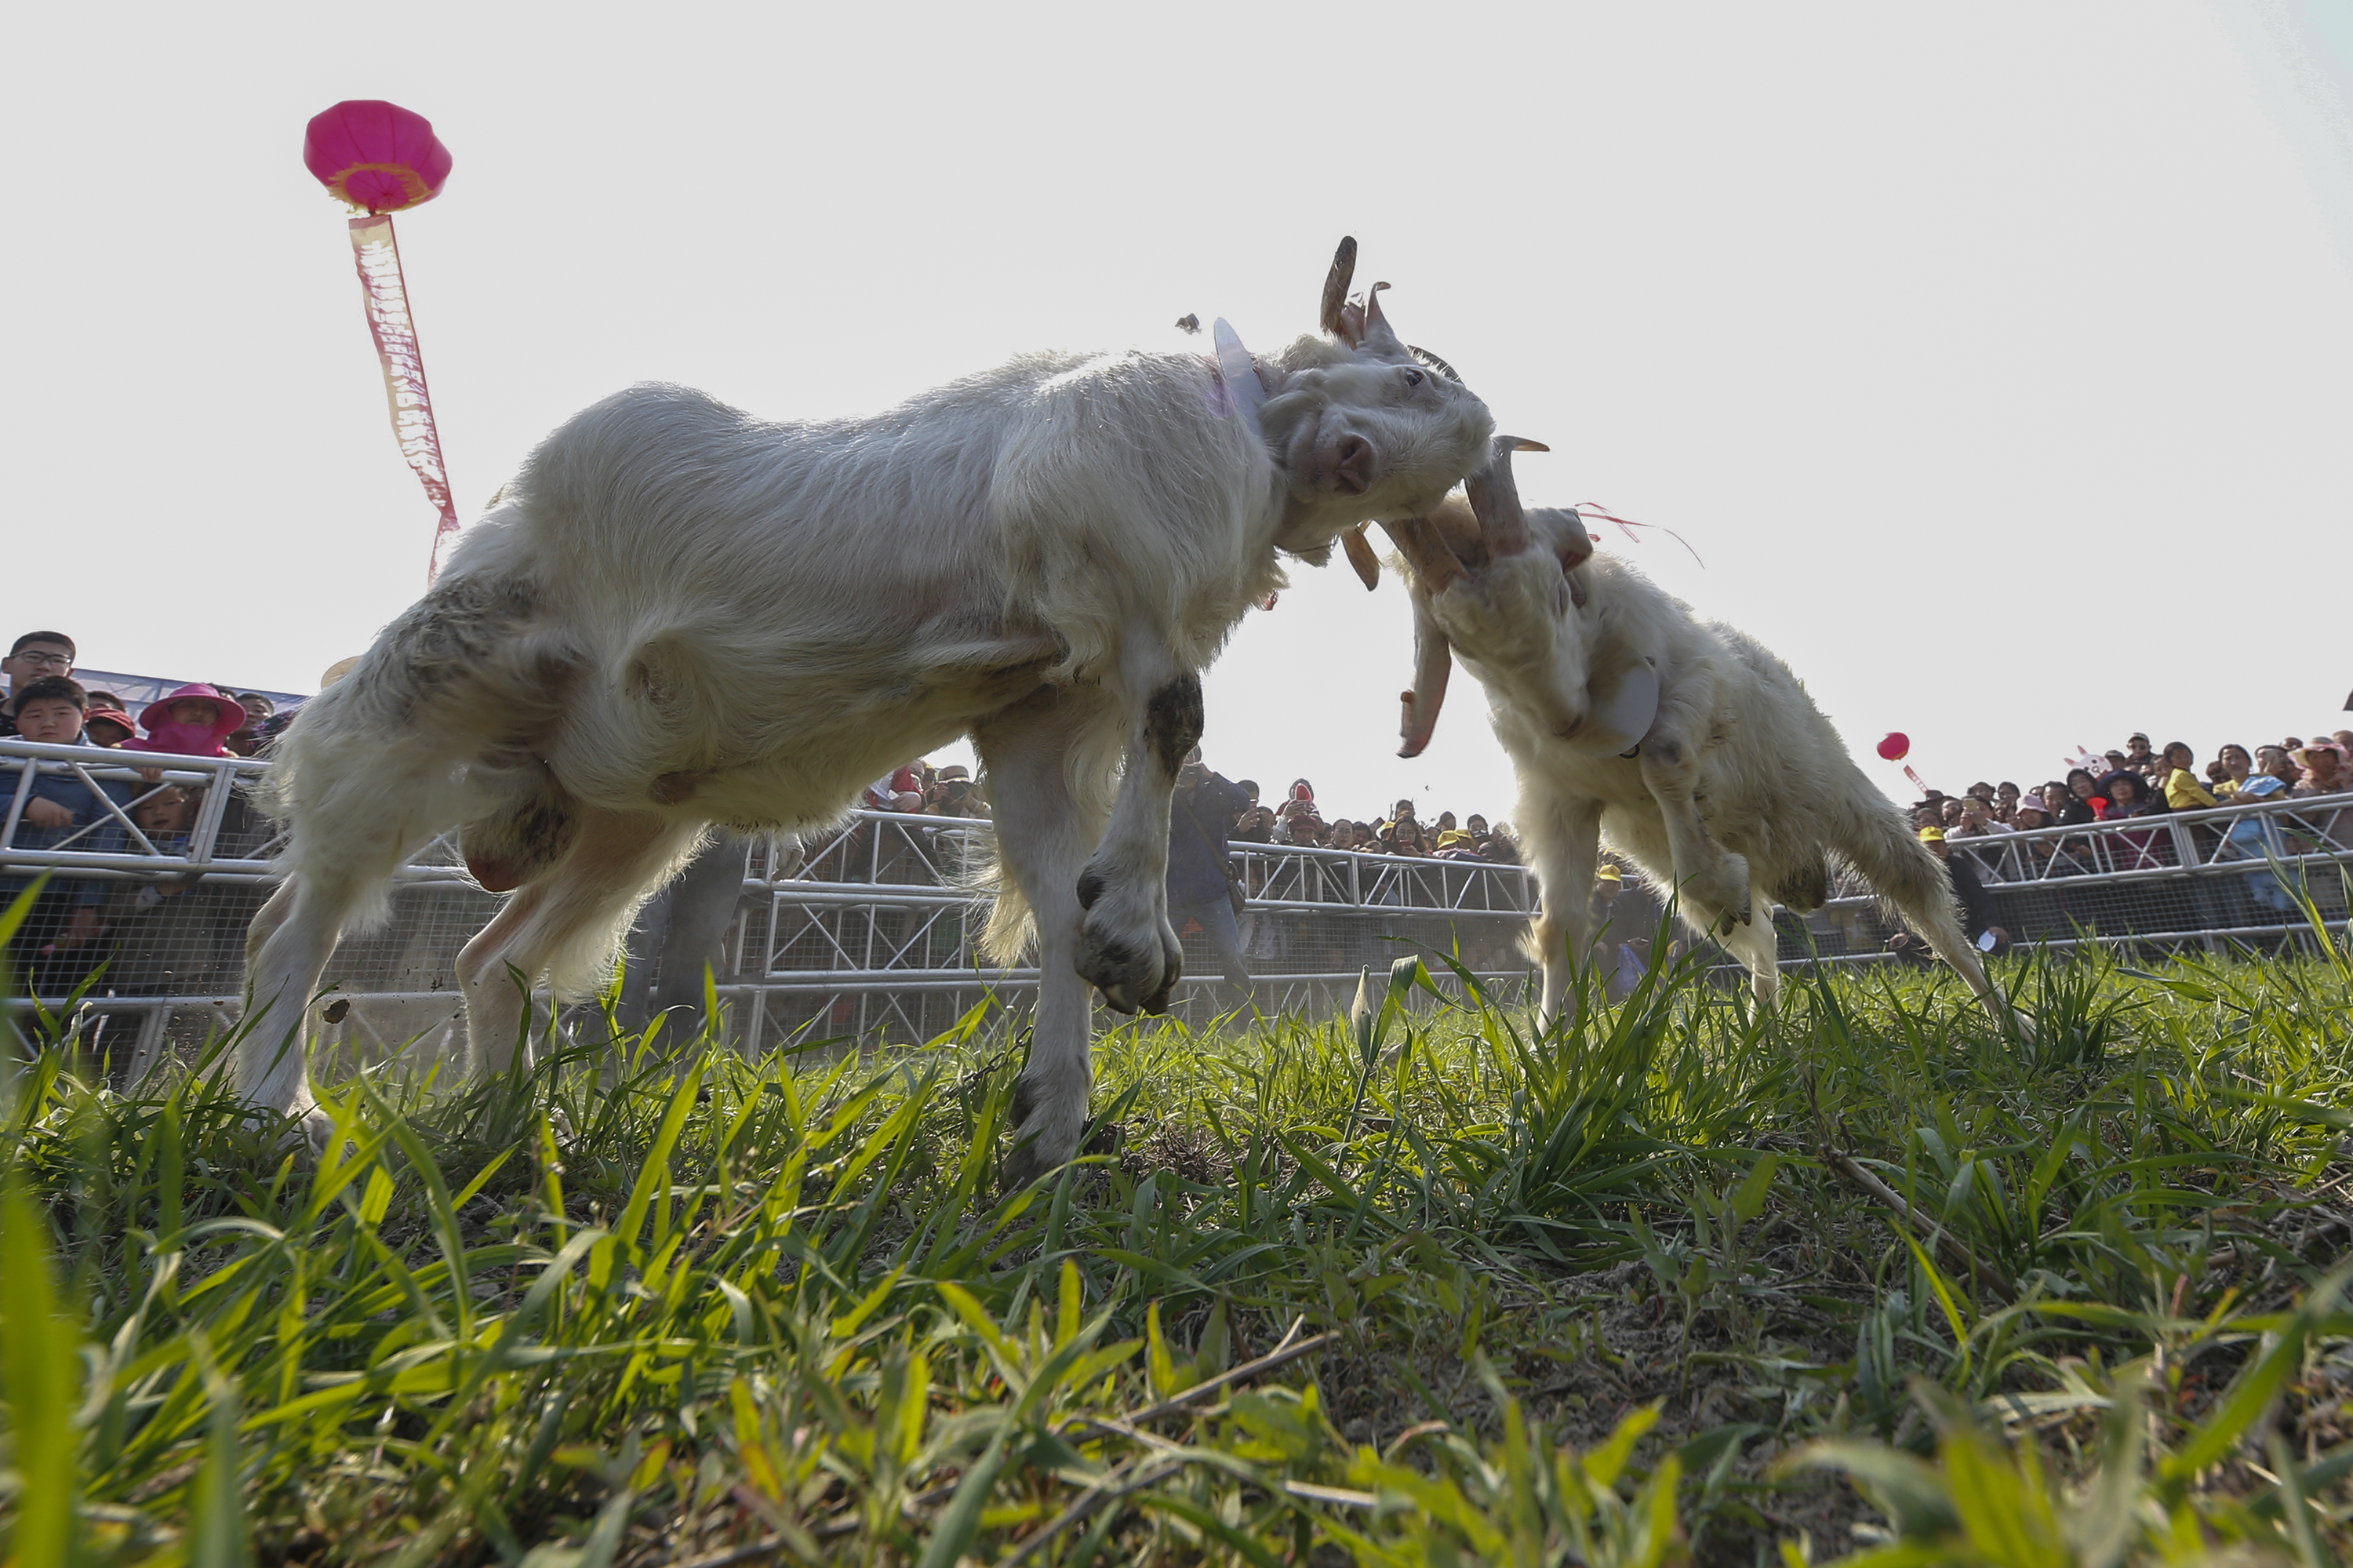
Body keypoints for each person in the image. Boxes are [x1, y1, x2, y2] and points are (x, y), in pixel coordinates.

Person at [2, 677, 134, 991]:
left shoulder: (107, 766)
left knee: (26, 983)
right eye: (34, 716)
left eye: (61, 713)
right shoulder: (5, 753)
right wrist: (24, 804)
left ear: (85, 715)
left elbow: (108, 839)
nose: (48, 723)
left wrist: (86, 906)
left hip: (52, 894)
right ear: (17, 720)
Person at [1166, 749, 1253, 1002]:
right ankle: (1151, 1023)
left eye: (1192, 757)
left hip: (1213, 893)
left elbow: (1242, 801)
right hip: (1174, 893)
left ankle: (1244, 1019)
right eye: (1182, 757)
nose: (1187, 763)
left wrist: (1209, 774)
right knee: (1161, 959)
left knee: (1233, 958)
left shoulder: (1213, 790)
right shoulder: (1167, 791)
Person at [1888, 826, 2005, 960]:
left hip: (1966, 927)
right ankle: (1927, 977)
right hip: (1930, 932)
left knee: (1998, 940)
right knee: (1903, 945)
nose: (1934, 850)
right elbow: (1907, 905)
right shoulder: (1912, 872)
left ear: (1946, 846)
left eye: (1938, 844)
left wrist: (1993, 925)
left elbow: (1979, 896)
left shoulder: (1959, 866)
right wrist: (1903, 932)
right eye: (1928, 846)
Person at [123, 684, 246, 758]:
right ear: (167, 714)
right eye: (187, 706)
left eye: (208, 709)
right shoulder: (130, 750)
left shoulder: (227, 760)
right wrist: (136, 764)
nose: (198, 712)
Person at [0, 631, 77, 737]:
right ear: (6, 665)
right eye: (33, 657)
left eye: (58, 661)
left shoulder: (77, 727)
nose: (44, 667)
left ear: (69, 673)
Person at [2159, 741, 2217, 810]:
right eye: (2179, 758)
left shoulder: (2175, 774)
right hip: (2190, 808)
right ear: (2170, 761)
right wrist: (2215, 804)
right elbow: (2197, 792)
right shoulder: (2181, 775)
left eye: (2187, 756)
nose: (2184, 759)